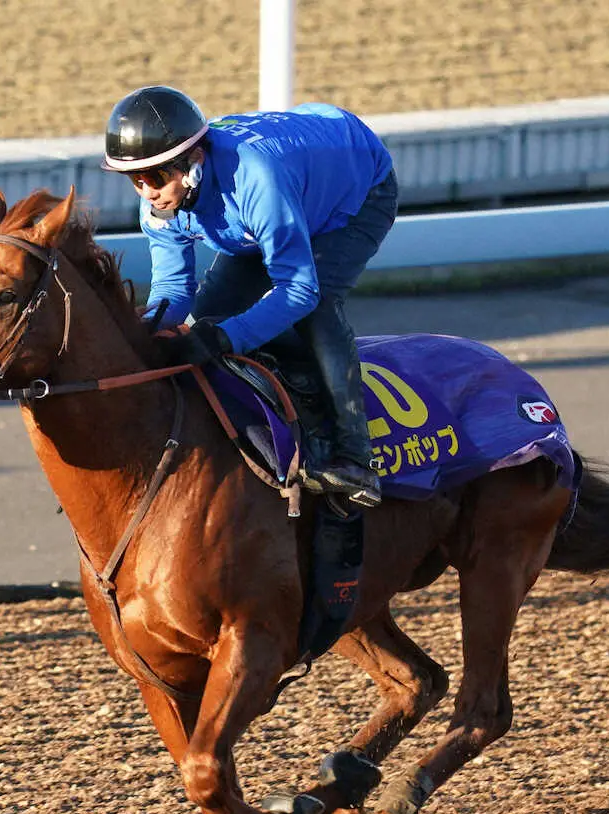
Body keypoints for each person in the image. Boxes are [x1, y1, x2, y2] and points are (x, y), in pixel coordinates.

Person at [102, 85, 398, 508]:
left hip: (351, 193)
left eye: (155, 178)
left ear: (193, 162)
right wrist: (136, 332)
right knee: (206, 319)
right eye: (136, 180)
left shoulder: (255, 178)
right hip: (272, 206)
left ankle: (355, 456)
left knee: (315, 309)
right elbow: (173, 293)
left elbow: (298, 289)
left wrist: (228, 338)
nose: (147, 193)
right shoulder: (160, 206)